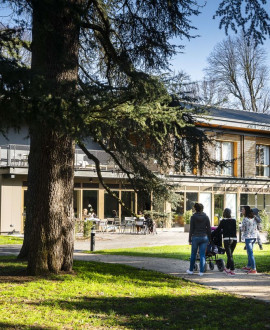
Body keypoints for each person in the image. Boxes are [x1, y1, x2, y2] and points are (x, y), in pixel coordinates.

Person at [186, 203, 211, 276]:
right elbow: (209, 229)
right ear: (202, 208)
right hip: (204, 237)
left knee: (193, 254)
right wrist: (209, 239)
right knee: (202, 254)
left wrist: (189, 239)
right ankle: (201, 272)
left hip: (195, 237)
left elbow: (191, 229)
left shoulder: (193, 217)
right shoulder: (206, 217)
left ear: (195, 209)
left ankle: (191, 270)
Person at [212, 208, 237, 276]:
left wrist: (211, 234)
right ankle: (227, 268)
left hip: (227, 240)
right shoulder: (234, 220)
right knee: (230, 255)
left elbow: (218, 230)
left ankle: (232, 270)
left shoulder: (223, 221)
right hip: (234, 240)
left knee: (229, 256)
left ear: (224, 213)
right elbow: (233, 230)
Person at [241, 206, 258, 274]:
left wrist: (241, 227)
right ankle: (248, 266)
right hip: (254, 237)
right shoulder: (254, 218)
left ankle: (254, 269)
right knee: (249, 252)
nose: (241, 211)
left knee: (250, 253)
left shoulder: (245, 219)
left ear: (246, 211)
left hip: (248, 238)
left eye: (243, 209)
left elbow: (243, 229)